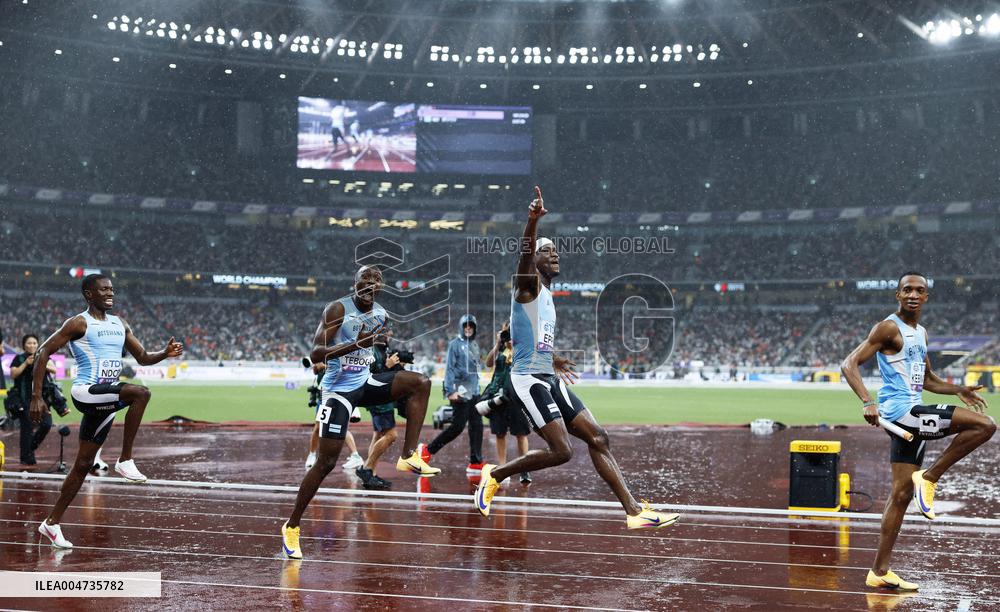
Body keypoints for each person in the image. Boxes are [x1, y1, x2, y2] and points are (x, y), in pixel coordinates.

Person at [474, 187, 679, 530]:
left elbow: (533, 339)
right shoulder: (527, 286)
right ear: (535, 260)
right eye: (548, 253)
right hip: (527, 379)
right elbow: (524, 257)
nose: (555, 257)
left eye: (556, 253)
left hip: (547, 377)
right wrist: (532, 222)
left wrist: (552, 359)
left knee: (599, 437)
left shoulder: (548, 296)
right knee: (562, 451)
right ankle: (493, 474)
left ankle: (633, 511)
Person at [842, 271, 994, 592]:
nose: (913, 294)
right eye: (907, 290)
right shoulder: (887, 328)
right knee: (985, 425)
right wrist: (867, 401)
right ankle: (930, 477)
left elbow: (927, 380)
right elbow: (849, 364)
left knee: (900, 495)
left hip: (912, 413)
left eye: (919, 290)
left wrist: (958, 389)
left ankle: (879, 571)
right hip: (903, 413)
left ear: (926, 297)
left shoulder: (921, 333)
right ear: (898, 295)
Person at [281, 265, 440, 560]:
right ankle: (292, 526)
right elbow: (316, 353)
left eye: (376, 279)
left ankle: (408, 456)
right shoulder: (338, 309)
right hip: (338, 391)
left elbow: (372, 357)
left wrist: (388, 365)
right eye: (365, 278)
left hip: (366, 381)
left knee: (421, 383)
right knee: (326, 463)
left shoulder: (381, 314)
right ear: (355, 283)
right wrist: (357, 343)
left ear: (381, 286)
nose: (371, 283)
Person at [31, 274, 184, 549]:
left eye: (112, 289)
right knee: (141, 393)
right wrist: (36, 396)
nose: (110, 293)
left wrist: (165, 353)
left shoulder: (119, 323)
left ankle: (51, 524)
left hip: (106, 399)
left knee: (82, 466)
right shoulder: (79, 322)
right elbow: (43, 352)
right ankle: (125, 460)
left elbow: (143, 357)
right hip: (85, 392)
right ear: (89, 294)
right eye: (104, 290)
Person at [421, 314, 484, 473]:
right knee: (457, 427)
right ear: (462, 328)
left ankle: (475, 462)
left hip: (474, 392)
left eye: (471, 327)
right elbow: (449, 368)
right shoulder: (454, 344)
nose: (468, 329)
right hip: (460, 391)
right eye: (466, 326)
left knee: (477, 426)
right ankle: (427, 451)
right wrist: (450, 390)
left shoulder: (475, 345)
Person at [479, 322, 532, 484]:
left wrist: (514, 347)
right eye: (507, 331)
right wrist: (497, 344)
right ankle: (502, 468)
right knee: (500, 433)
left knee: (521, 434)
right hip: (498, 395)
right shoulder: (501, 348)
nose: (509, 334)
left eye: (512, 331)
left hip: (518, 396)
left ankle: (524, 469)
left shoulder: (524, 346)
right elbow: (488, 363)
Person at [356, 332, 409, 490]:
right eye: (387, 330)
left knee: (378, 435)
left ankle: (370, 473)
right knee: (392, 435)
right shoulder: (371, 351)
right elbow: (369, 376)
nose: (391, 333)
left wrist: (398, 366)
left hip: (381, 399)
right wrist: (388, 366)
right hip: (379, 401)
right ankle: (366, 469)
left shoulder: (381, 349)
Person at [303, 362, 363, 472]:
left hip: (338, 396)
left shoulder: (339, 353)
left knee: (341, 427)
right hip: (326, 396)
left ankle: (355, 456)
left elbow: (348, 369)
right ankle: (312, 455)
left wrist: (326, 367)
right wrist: (317, 366)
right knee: (318, 427)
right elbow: (316, 371)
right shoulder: (323, 353)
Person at [10, 334, 56, 465]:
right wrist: (26, 363)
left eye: (34, 343)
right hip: (23, 399)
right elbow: (13, 374)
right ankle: (26, 457)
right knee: (27, 428)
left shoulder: (43, 356)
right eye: (29, 343)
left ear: (38, 344)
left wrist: (40, 362)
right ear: (24, 345)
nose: (32, 345)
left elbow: (54, 369)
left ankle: (30, 448)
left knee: (47, 424)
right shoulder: (18, 358)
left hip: (42, 399)